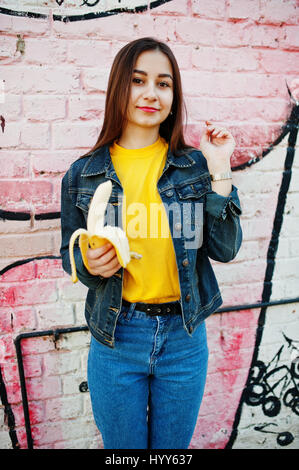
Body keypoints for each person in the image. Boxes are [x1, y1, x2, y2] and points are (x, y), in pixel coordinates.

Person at [60, 37, 242, 449]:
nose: (150, 93)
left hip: (184, 337)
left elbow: (227, 249)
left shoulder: (195, 166)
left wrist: (220, 168)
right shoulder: (82, 175)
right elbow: (69, 255)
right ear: (118, 88)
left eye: (164, 84)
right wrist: (90, 263)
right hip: (116, 337)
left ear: (174, 97)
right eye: (138, 80)